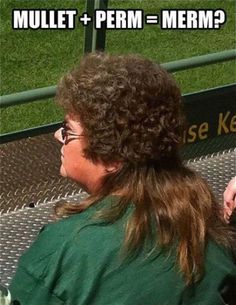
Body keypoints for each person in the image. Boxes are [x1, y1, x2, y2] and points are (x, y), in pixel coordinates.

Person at [9, 53, 236, 305]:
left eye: (68, 132)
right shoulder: (210, 226)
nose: (57, 136)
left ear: (113, 158)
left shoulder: (64, 251)